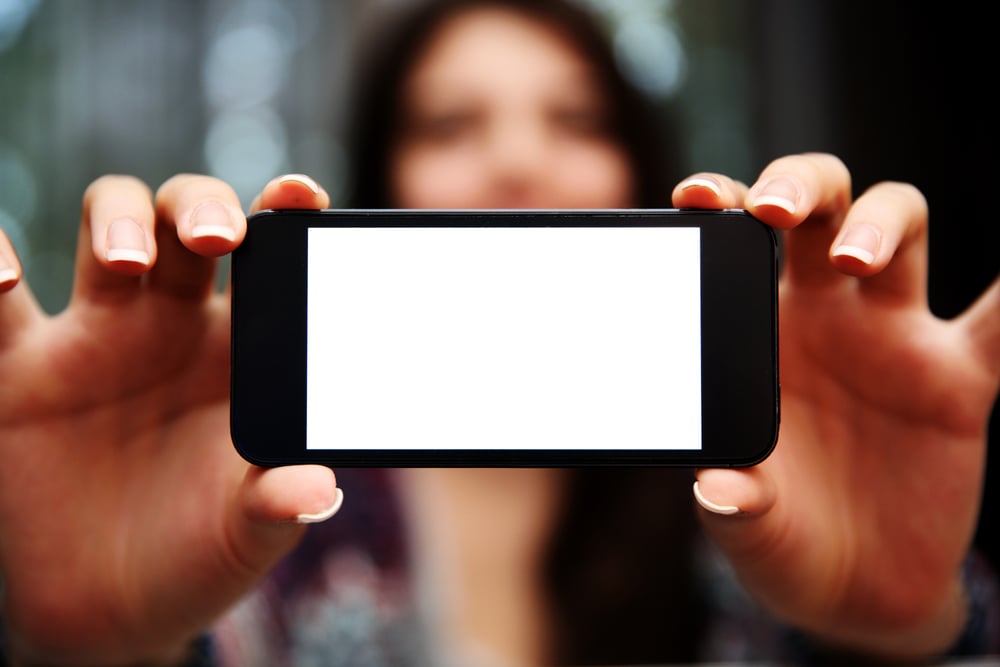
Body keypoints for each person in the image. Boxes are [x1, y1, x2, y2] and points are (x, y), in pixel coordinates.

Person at [0, 0, 997, 665]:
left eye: (576, 119)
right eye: (447, 125)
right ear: (386, 188)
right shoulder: (252, 527)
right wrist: (82, 648)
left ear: (642, 176)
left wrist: (912, 633)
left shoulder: (761, 513)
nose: (517, 160)